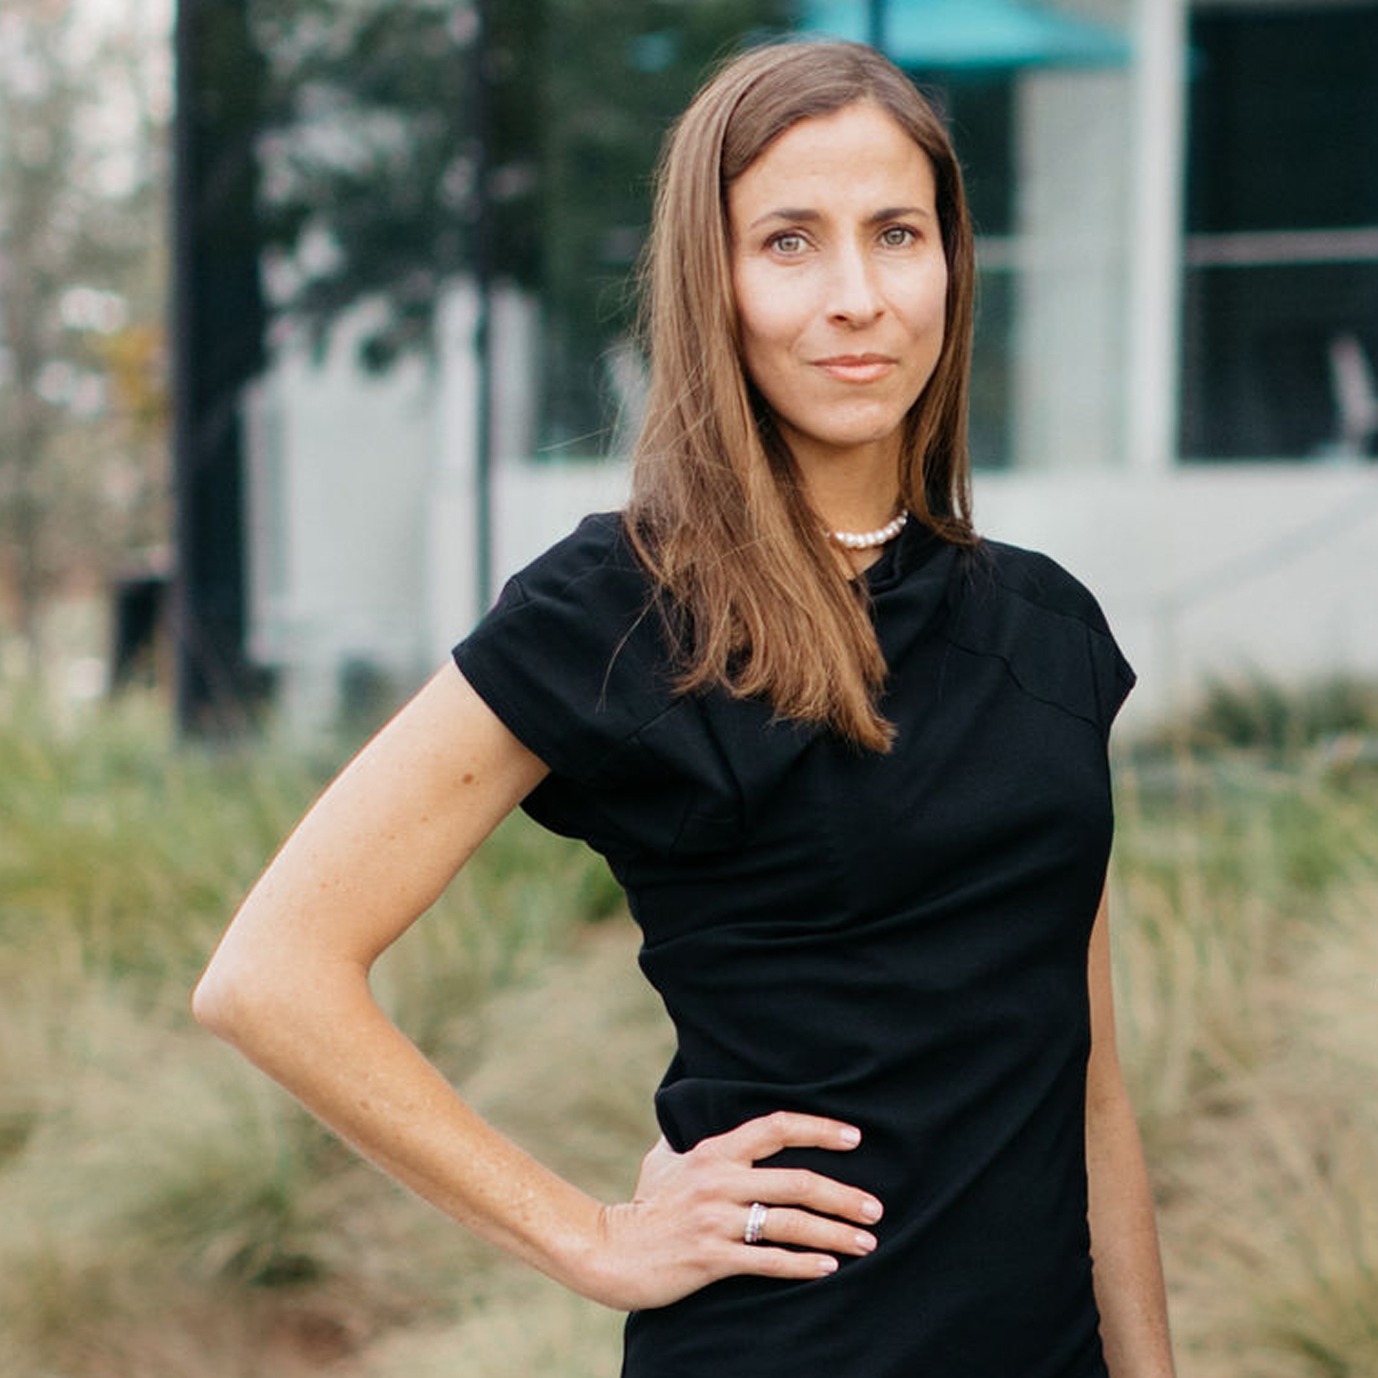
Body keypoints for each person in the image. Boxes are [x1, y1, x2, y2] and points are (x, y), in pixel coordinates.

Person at [194, 39, 1176, 1378]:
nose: (855, 297)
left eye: (895, 234)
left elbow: (1089, 1087)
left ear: (949, 260)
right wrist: (589, 1237)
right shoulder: (619, 607)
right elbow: (271, 973)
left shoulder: (1046, 628)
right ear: (711, 283)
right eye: (787, 242)